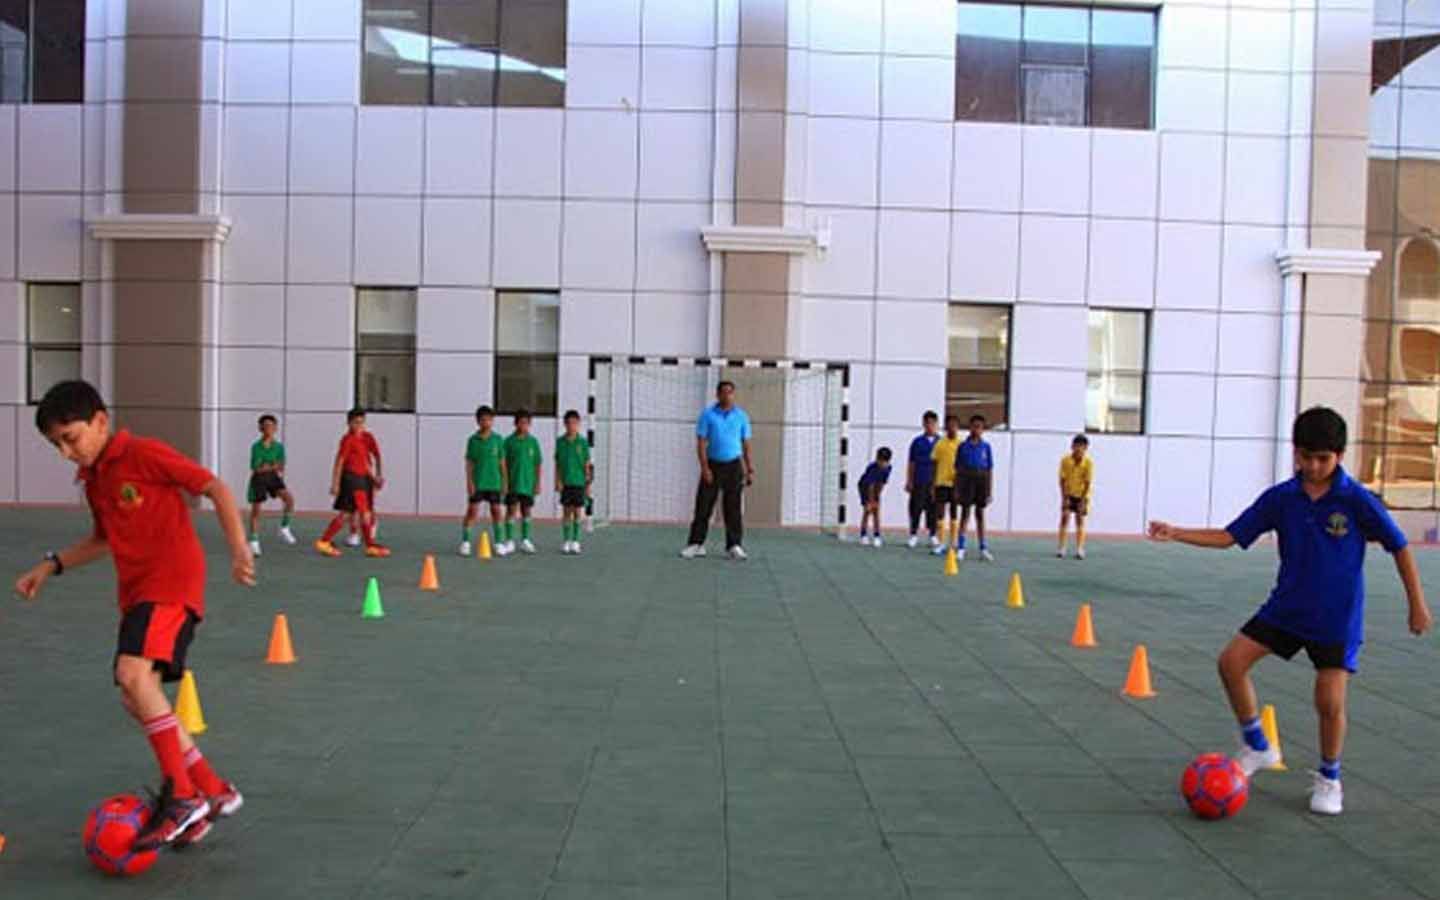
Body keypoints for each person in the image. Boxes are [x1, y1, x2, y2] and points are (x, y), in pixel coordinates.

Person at [1148, 407, 1431, 816]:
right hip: (1286, 609)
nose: (1313, 467)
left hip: (1335, 619)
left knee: (1328, 702)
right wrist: (1176, 532)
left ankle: (1330, 778)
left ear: (1339, 456)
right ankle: (1257, 745)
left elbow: (1399, 546)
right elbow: (1230, 536)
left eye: (1323, 459)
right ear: (1295, 452)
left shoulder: (1356, 500)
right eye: (1306, 457)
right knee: (1231, 663)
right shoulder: (1281, 498)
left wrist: (1417, 605)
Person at [13, 381, 251, 850]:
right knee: (135, 695)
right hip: (138, 594)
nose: (66, 453)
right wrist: (50, 565)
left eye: (71, 438)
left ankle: (183, 797)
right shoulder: (95, 480)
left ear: (101, 421)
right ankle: (213, 790)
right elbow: (102, 540)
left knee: (133, 675)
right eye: (57, 445)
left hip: (170, 583)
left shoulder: (143, 454)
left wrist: (239, 546)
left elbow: (214, 487)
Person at [681, 381, 754, 561]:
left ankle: (734, 546)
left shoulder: (741, 416)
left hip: (734, 467)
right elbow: (701, 443)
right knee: (703, 507)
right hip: (713, 466)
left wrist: (749, 468)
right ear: (717, 394)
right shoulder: (707, 415)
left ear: (734, 395)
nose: (727, 396)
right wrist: (705, 468)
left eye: (730, 392)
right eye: (724, 392)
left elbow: (746, 444)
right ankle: (696, 544)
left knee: (733, 508)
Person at [315, 408, 389, 558]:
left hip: (364, 479)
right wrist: (335, 483)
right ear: (349, 423)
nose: (359, 425)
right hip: (352, 479)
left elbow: (375, 456)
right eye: (356, 422)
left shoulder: (367, 437)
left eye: (362, 422)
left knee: (348, 513)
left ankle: (325, 541)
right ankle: (369, 545)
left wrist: (377, 476)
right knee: (363, 513)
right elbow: (339, 461)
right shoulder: (347, 440)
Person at [246, 414, 297, 557]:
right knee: (256, 510)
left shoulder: (279, 447)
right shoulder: (256, 447)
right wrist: (271, 465)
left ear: (275, 428)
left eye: (271, 426)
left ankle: (284, 527)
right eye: (265, 426)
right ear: (260, 428)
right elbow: (256, 468)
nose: (268, 429)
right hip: (259, 479)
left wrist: (268, 465)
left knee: (289, 499)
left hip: (273, 478)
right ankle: (254, 541)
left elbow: (280, 466)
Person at [461, 405, 508, 557]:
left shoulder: (498, 440)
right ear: (478, 421)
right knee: (472, 511)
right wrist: (469, 482)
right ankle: (466, 542)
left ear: (492, 421)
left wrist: (505, 482)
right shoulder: (472, 440)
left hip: (494, 482)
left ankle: (499, 543)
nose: (486, 422)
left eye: (489, 420)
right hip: (478, 482)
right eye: (483, 420)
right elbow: (469, 463)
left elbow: (502, 463)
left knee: (496, 511)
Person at [955, 414, 996, 562]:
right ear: (970, 427)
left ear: (983, 429)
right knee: (965, 513)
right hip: (967, 480)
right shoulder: (962, 446)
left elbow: (989, 469)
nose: (976, 429)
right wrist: (957, 489)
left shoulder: (986, 447)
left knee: (980, 514)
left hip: (981, 480)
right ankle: (961, 547)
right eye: (974, 426)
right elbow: (958, 469)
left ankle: (983, 548)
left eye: (979, 427)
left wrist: (989, 490)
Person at [503, 410, 543, 555]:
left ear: (529, 424)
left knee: (526, 511)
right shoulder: (508, 442)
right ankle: (509, 540)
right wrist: (504, 483)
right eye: (521, 422)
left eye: (526, 423)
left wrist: (537, 483)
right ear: (515, 423)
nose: (523, 425)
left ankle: (525, 540)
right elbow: (503, 464)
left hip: (527, 484)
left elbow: (537, 464)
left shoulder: (533, 442)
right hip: (513, 483)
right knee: (511, 510)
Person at [556, 409, 594, 555]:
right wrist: (558, 481)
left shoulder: (582, 442)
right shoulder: (560, 442)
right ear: (565, 424)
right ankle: (566, 540)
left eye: (574, 423)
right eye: (569, 423)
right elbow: (558, 463)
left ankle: (576, 541)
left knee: (578, 512)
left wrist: (588, 483)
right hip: (566, 482)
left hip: (579, 482)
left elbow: (586, 464)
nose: (571, 426)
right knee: (566, 512)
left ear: (578, 424)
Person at [905, 411, 941, 549]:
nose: (930, 426)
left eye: (932, 423)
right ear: (923, 424)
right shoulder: (917, 442)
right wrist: (909, 480)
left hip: (935, 481)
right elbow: (911, 462)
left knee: (933, 509)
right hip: (919, 479)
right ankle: (913, 534)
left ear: (936, 424)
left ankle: (933, 535)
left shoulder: (941, 442)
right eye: (927, 423)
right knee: (916, 508)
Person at [929, 415, 963, 555]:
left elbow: (963, 465)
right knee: (940, 513)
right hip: (941, 482)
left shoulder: (961, 444)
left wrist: (961, 483)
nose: (951, 428)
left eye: (954, 425)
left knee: (954, 513)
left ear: (958, 427)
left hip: (955, 484)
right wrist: (932, 484)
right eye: (949, 425)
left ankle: (953, 543)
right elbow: (934, 464)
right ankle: (941, 543)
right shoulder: (940, 444)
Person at [1057, 434, 1093, 560]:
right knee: (1064, 518)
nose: (1079, 449)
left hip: (1081, 495)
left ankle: (1080, 548)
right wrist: (1064, 497)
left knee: (1079, 519)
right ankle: (1061, 547)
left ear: (1086, 448)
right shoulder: (1065, 461)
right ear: (1072, 446)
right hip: (1068, 493)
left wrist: (1083, 500)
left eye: (1082, 447)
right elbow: (1062, 480)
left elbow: (1087, 483)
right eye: (1076, 446)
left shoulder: (1088, 463)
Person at [858, 447, 893, 547]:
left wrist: (877, 498)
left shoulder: (888, 468)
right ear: (877, 459)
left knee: (876, 511)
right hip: (865, 487)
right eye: (880, 460)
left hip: (876, 487)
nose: (882, 463)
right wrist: (870, 501)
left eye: (885, 461)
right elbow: (870, 486)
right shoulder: (871, 468)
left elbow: (882, 483)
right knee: (867, 510)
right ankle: (863, 535)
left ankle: (877, 535)